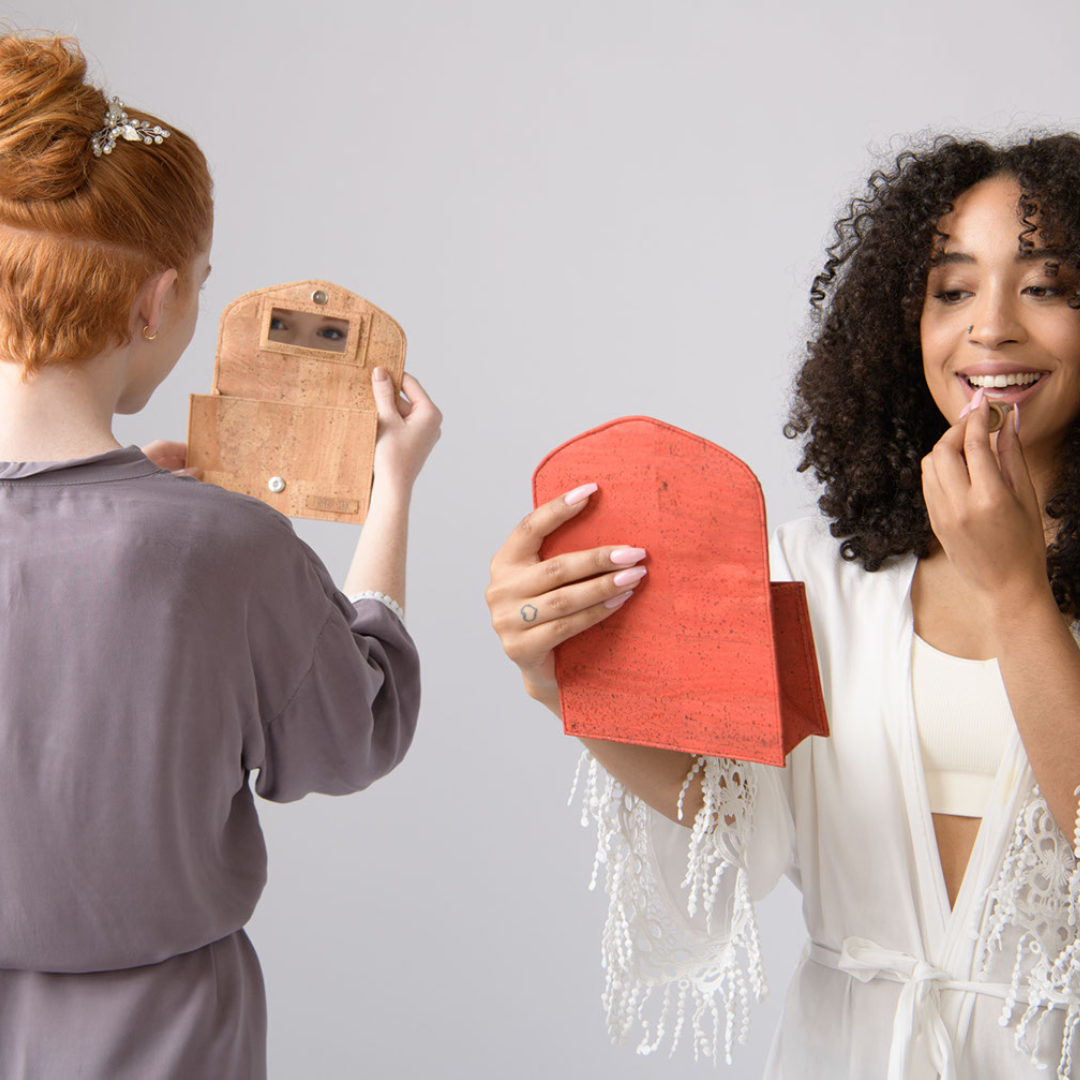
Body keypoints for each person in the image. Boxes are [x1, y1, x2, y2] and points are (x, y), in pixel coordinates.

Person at [486, 133, 1080, 1078]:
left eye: (1048, 286)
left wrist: (1015, 591)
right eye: (953, 289)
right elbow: (742, 822)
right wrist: (560, 677)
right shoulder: (819, 568)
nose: (992, 327)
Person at [0, 32, 441, 1080]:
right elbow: (356, 732)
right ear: (158, 302)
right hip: (169, 1042)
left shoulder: (212, 545)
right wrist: (394, 490)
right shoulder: (226, 546)